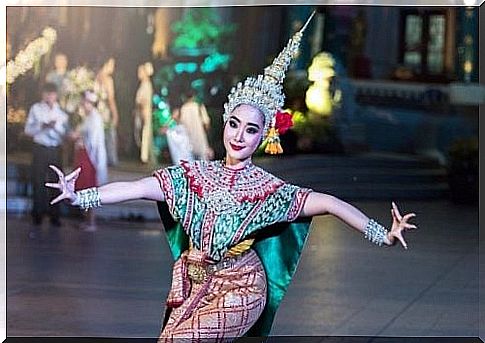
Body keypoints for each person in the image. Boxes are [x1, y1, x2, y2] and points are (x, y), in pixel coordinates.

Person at [46, 12, 417, 341]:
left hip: (243, 287)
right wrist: (82, 197)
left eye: (251, 130)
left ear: (264, 135)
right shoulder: (193, 175)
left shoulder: (270, 191)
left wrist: (382, 234)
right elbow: (138, 187)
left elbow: (330, 203)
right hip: (196, 282)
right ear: (224, 124)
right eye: (235, 124)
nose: (239, 136)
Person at [25, 82, 68, 227]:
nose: (49, 96)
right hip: (40, 148)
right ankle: (37, 214)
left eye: (52, 94)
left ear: (56, 95)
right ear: (43, 94)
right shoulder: (36, 109)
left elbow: (65, 133)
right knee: (38, 181)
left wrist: (54, 127)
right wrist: (41, 126)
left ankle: (55, 216)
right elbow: (28, 130)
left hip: (55, 149)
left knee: (56, 182)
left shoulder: (61, 112)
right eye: (47, 93)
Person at [71, 90, 108, 231]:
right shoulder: (88, 117)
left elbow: (93, 140)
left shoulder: (95, 118)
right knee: (83, 186)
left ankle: (91, 221)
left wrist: (79, 137)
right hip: (83, 155)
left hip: (89, 156)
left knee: (88, 186)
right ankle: (86, 220)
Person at [173, 90, 213, 160]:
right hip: (200, 141)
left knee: (190, 165)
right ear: (194, 96)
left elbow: (178, 124)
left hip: (187, 142)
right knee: (203, 164)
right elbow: (206, 124)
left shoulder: (181, 109)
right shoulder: (199, 107)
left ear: (184, 98)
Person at [95, 57, 119, 166]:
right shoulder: (108, 79)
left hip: (95, 110)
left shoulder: (95, 77)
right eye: (112, 64)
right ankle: (110, 159)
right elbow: (110, 98)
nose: (113, 68)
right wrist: (115, 113)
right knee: (109, 134)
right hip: (104, 111)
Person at [134, 62, 155, 164]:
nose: (139, 73)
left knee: (144, 133)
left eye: (140, 71)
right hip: (140, 111)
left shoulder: (147, 85)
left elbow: (144, 101)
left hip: (144, 112)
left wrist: (142, 112)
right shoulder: (143, 84)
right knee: (142, 133)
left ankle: (144, 157)